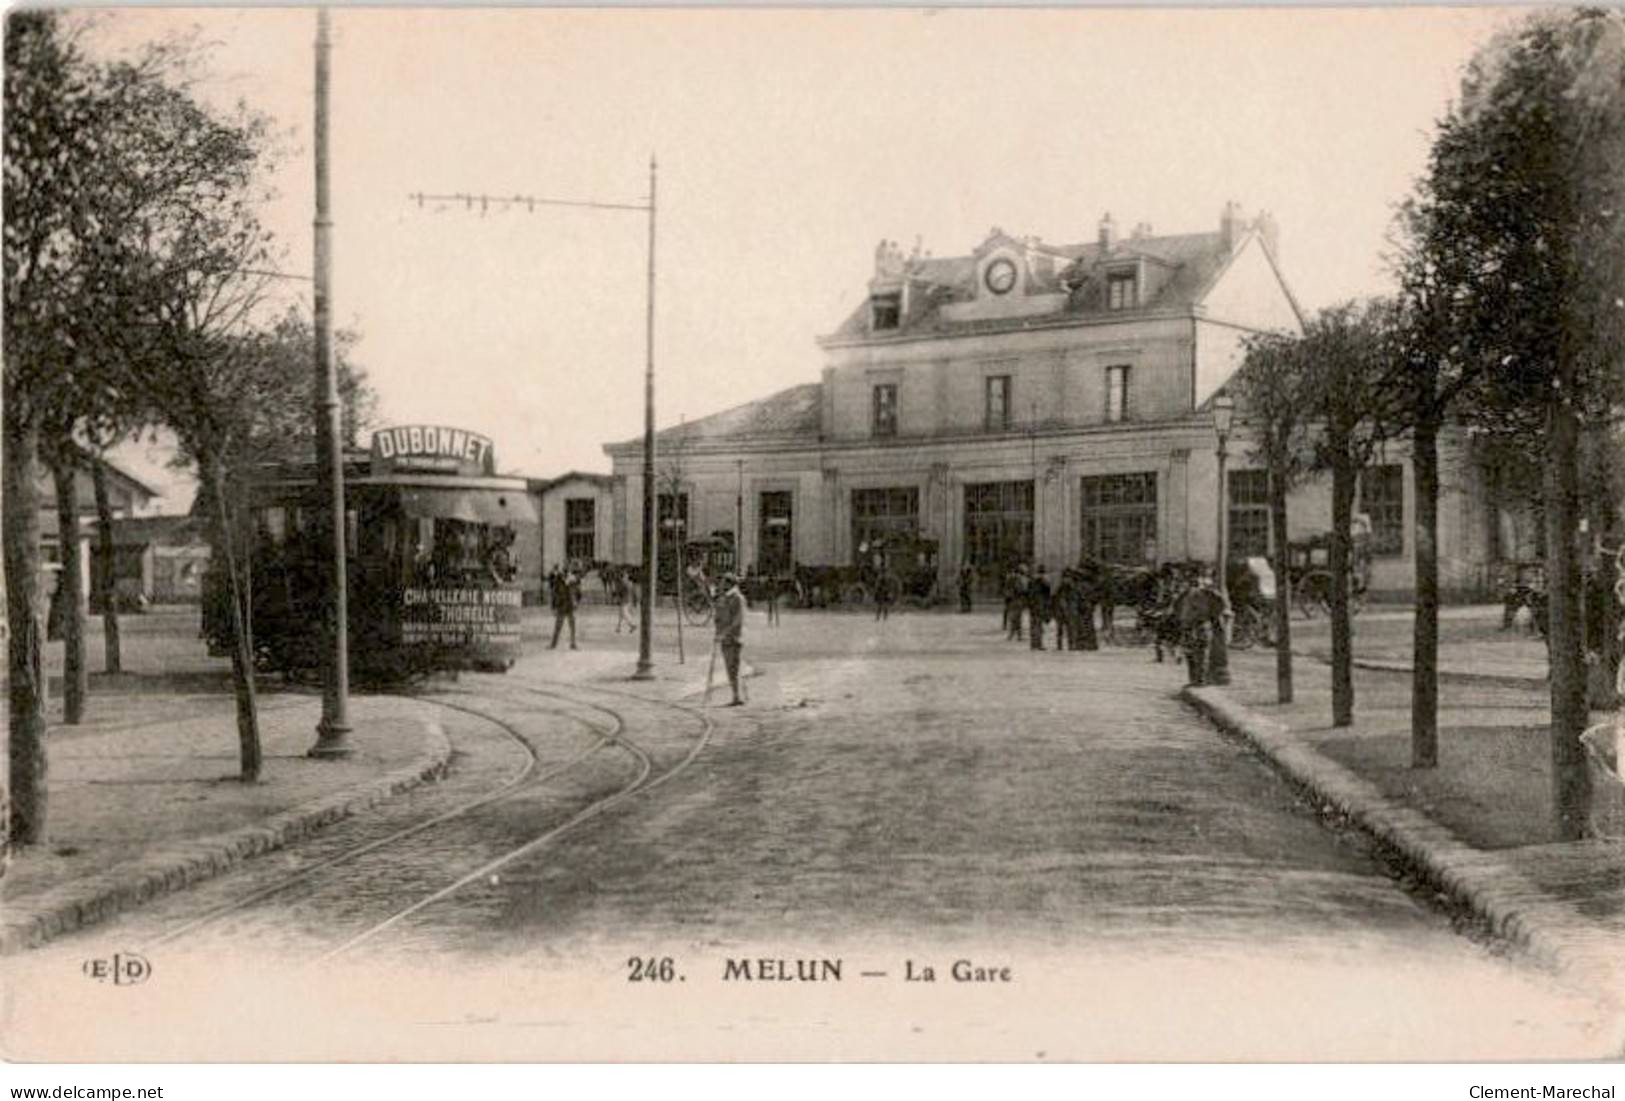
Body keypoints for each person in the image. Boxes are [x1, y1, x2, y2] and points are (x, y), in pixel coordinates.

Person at [713, 572, 747, 706]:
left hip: (735, 638)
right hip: (725, 638)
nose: (721, 586)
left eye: (723, 583)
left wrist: (724, 633)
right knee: (730, 667)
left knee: (734, 667)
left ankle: (737, 696)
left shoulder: (737, 598)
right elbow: (719, 616)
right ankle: (737, 695)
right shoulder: (724, 598)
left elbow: (738, 620)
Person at [549, 565, 579, 650]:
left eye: (567, 572)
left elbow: (576, 592)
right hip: (562, 605)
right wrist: (553, 606)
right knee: (559, 626)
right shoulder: (558, 581)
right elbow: (554, 594)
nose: (566, 574)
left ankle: (572, 643)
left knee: (572, 625)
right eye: (564, 572)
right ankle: (554, 644)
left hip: (569, 606)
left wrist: (575, 601)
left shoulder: (572, 581)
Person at [1027, 564, 1052, 651]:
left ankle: (1033, 644)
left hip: (1033, 605)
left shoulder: (1031, 581)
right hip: (1040, 605)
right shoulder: (1044, 581)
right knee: (1039, 625)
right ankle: (1038, 643)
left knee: (1034, 625)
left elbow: (1028, 593)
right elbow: (1048, 593)